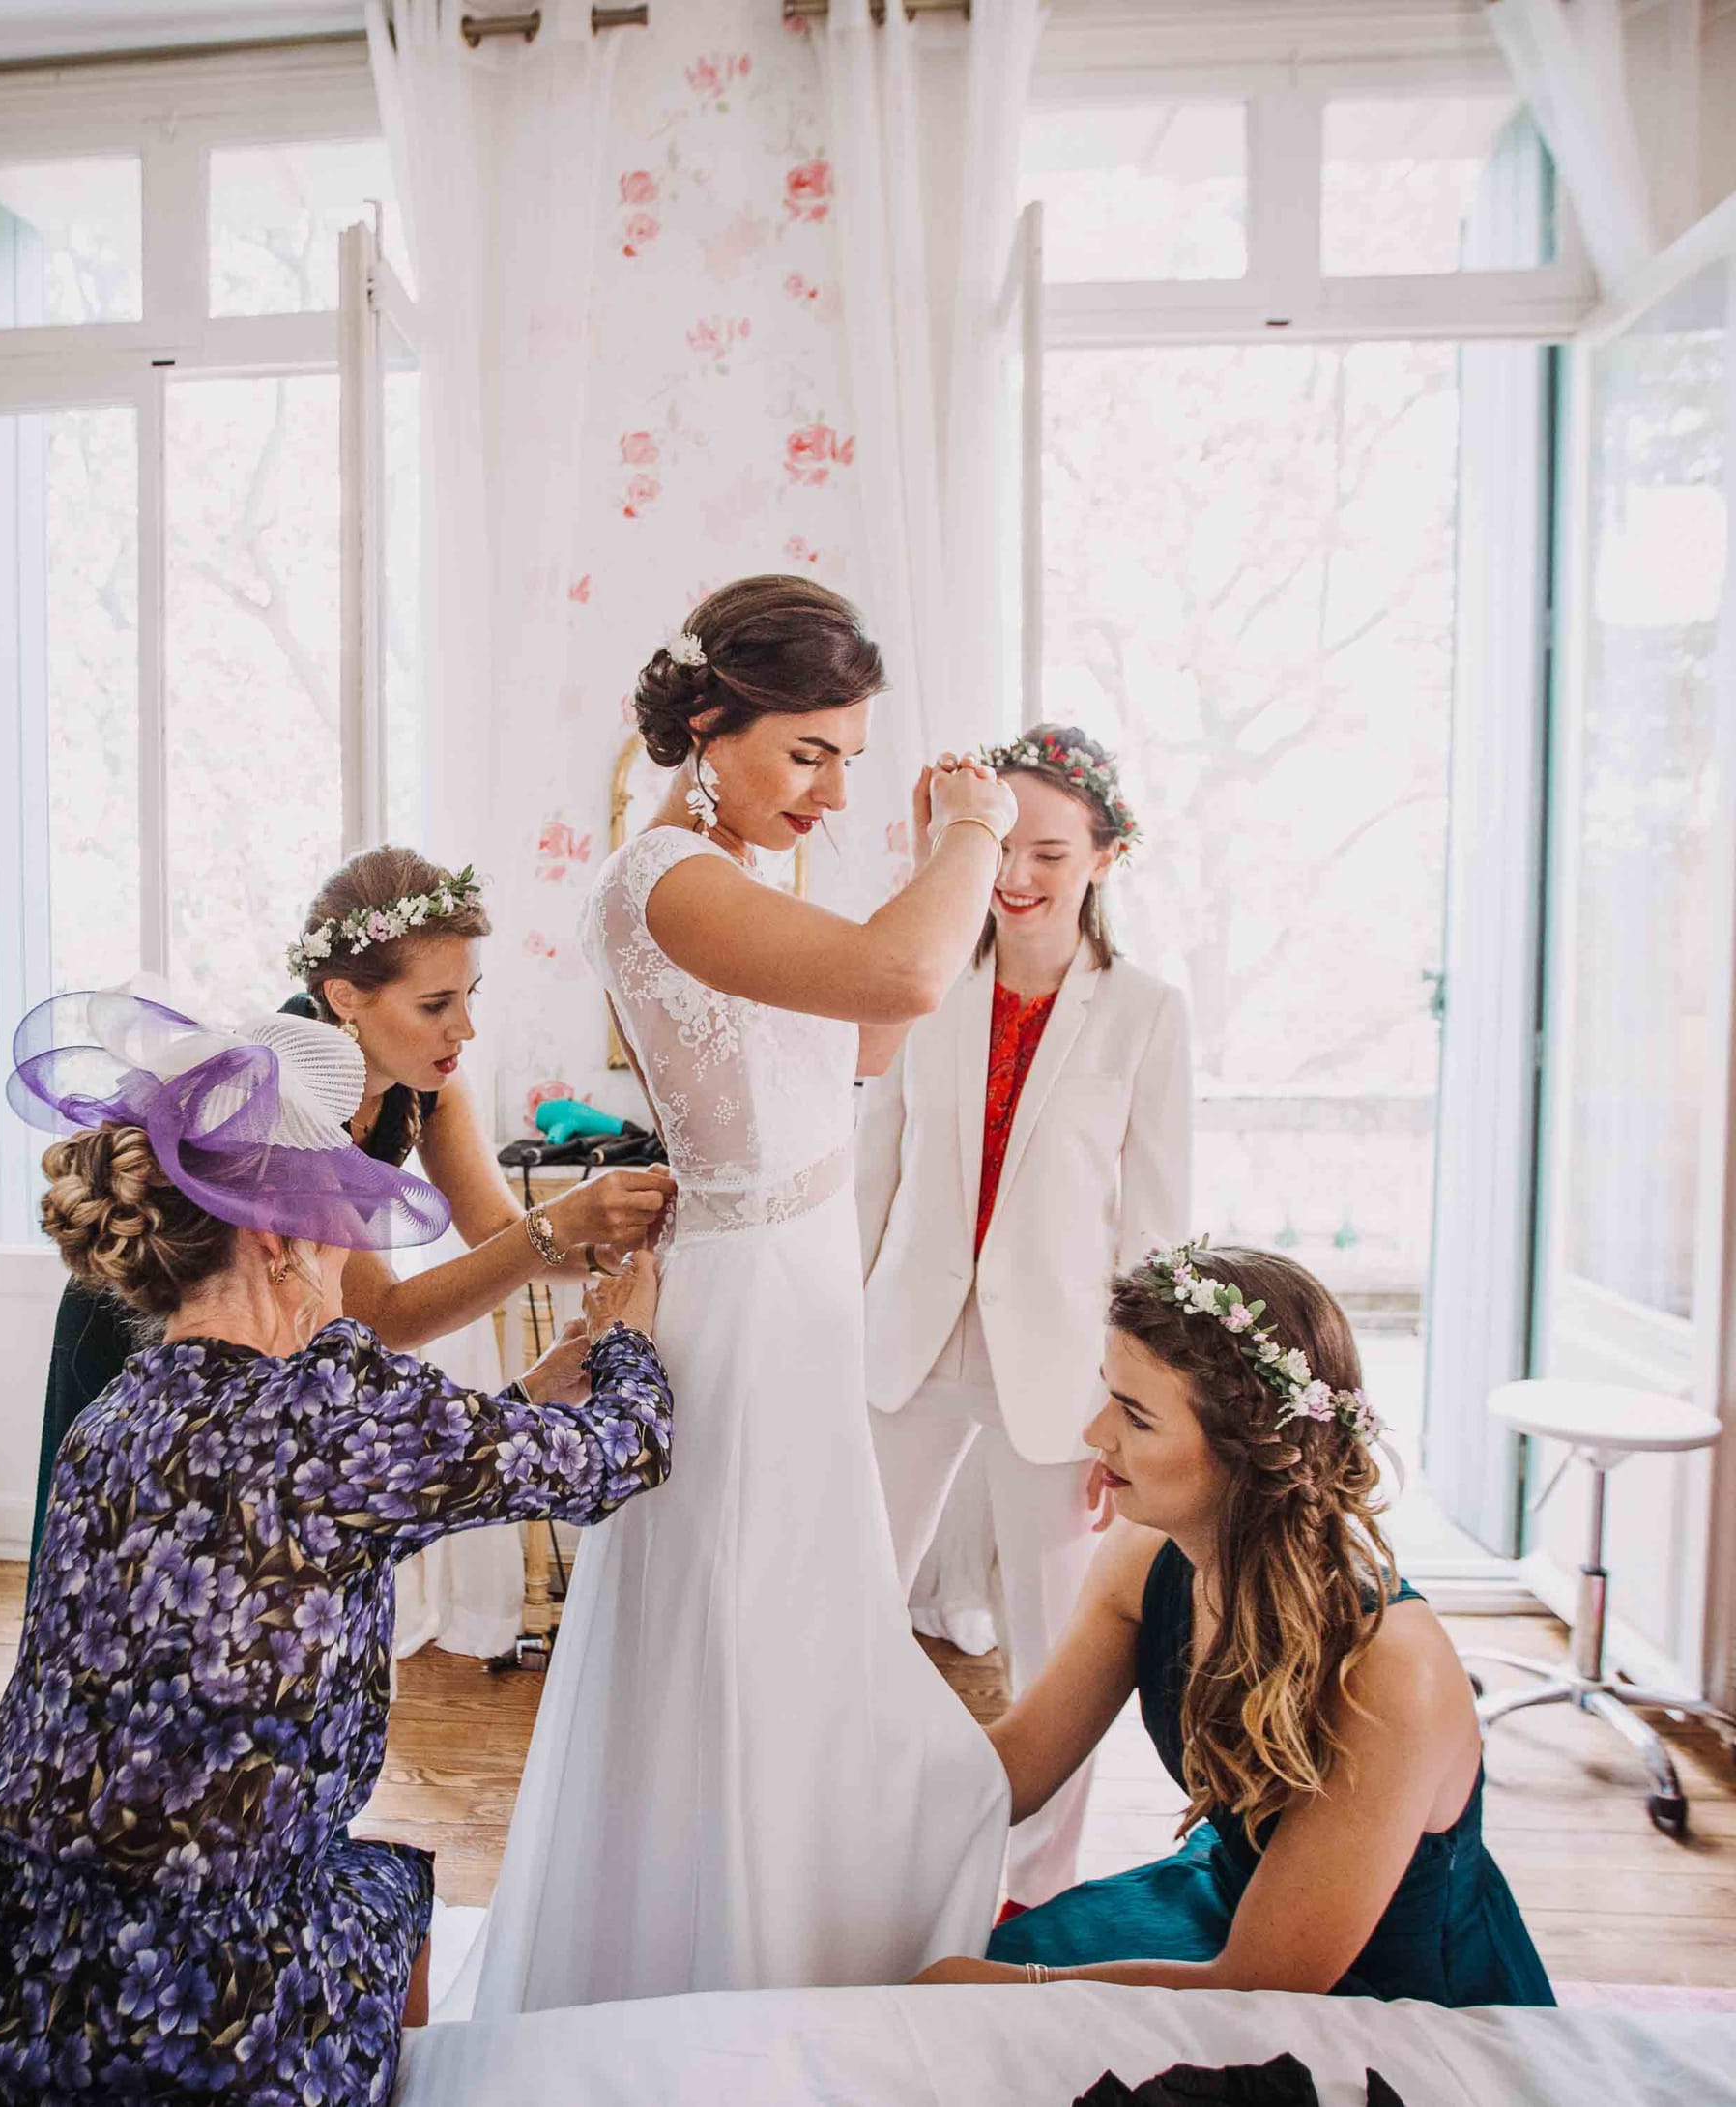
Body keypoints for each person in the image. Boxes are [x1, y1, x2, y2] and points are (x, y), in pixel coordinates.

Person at [0, 994, 673, 2103]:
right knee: (390, 1886)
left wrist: (520, 1400)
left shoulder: (115, 1414)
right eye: (336, 1220)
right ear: (274, 1239)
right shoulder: (337, 1405)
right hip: (202, 2018)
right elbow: (621, 1454)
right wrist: (631, 1335)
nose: (350, 1251)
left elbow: (304, 1529)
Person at [462, 576, 1018, 2013]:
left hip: (803, 1273)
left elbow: (877, 1040)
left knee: (800, 1619)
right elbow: (907, 971)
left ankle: (777, 1932)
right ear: (709, 723)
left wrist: (909, 855)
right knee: (743, 1623)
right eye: (808, 752)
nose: (830, 788)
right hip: (747, 1301)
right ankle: (711, 1969)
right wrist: (971, 834)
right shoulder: (664, 880)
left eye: (849, 756)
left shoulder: (751, 875)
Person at [916, 1241, 1554, 2007]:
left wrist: (1021, 1988)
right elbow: (1013, 1772)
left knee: (970, 2003)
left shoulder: (1389, 1672)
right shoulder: (1144, 1553)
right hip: (1228, 1909)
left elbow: (1270, 1981)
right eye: (1109, 1395)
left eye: (1138, 1420)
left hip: (1380, 2000)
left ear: (1244, 1457)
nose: (1095, 1435)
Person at [28, 845, 673, 1560]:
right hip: (147, 1317)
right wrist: (560, 1231)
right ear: (343, 997)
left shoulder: (428, 1081)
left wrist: (626, 1238)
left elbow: (499, 1235)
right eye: (435, 1004)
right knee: (138, 1548)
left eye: (470, 996)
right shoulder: (283, 1098)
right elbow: (383, 1316)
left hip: (275, 1327)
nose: (464, 1028)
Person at [857, 724, 1191, 1907]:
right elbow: (872, 1172)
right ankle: (854, 1833)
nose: (1014, 875)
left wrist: (1137, 1410)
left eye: (1049, 850)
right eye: (1003, 844)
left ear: (1104, 855)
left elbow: (1153, 1233)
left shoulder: (1145, 1012)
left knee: (1055, 1649)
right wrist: (828, 1329)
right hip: (905, 1341)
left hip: (1061, 1374)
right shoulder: (923, 983)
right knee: (848, 1598)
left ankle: (1028, 1891)